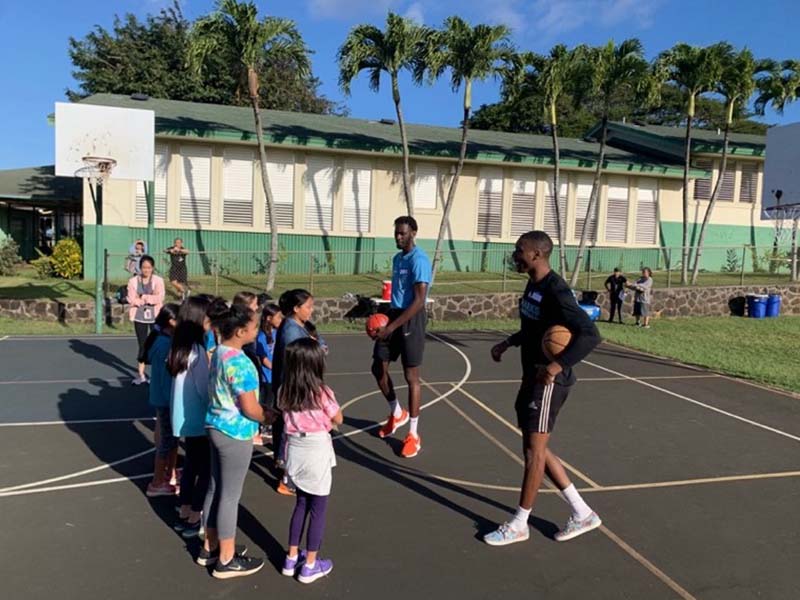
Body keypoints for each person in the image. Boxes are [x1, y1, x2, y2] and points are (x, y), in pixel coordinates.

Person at [484, 231, 602, 547]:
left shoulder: (557, 290)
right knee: (534, 447)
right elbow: (534, 328)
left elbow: (590, 335)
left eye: (519, 250)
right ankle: (582, 512)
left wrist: (557, 365)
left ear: (536, 254)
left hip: (549, 381)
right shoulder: (533, 284)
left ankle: (519, 523)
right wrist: (508, 342)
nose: (515, 254)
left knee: (533, 452)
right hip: (532, 376)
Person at [201, 304, 273, 579]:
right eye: (254, 327)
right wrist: (269, 415)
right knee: (230, 496)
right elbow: (249, 408)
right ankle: (227, 559)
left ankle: (210, 545)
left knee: (215, 488)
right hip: (235, 432)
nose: (257, 330)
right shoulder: (240, 363)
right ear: (242, 331)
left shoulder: (219, 352)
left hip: (215, 424)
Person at [279, 338, 342, 584]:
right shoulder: (321, 392)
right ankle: (311, 565)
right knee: (318, 509)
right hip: (316, 449)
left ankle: (292, 557)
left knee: (301, 503)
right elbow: (338, 417)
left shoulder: (285, 390)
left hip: (294, 448)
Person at [372, 216, 431, 458]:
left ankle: (414, 435)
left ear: (413, 233)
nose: (398, 237)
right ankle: (397, 412)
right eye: (396, 233)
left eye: (403, 233)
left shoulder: (420, 260)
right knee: (378, 367)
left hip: (412, 319)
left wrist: (392, 326)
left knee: (411, 376)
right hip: (394, 315)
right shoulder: (398, 259)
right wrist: (384, 319)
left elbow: (419, 301)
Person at [272, 289, 327, 495]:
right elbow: (298, 361)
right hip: (294, 388)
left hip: (295, 386)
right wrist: (316, 350)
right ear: (296, 308)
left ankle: (285, 468)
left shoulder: (298, 327)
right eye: (308, 307)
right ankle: (286, 477)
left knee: (289, 430)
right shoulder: (291, 332)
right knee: (291, 431)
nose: (311, 311)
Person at [168, 296, 212, 539]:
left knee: (192, 465)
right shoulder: (197, 351)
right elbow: (204, 389)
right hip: (199, 418)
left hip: (185, 418)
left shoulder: (179, 349)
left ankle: (185, 511)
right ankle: (196, 515)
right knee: (204, 470)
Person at [144, 303, 180, 498]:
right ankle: (157, 482)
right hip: (166, 400)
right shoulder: (164, 345)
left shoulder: (161, 341)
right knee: (166, 443)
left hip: (164, 398)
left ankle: (169, 473)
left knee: (172, 440)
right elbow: (167, 376)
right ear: (172, 322)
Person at [127, 256, 165, 385]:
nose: (146, 270)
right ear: (140, 268)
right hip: (139, 317)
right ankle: (141, 375)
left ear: (152, 268)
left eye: (149, 267)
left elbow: (159, 297)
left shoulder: (158, 280)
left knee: (157, 344)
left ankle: (157, 375)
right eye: (144, 267)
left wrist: (144, 297)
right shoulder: (133, 281)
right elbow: (131, 299)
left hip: (155, 317)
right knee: (142, 345)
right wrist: (140, 300)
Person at [255, 303, 283, 445]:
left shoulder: (278, 333)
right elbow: (264, 358)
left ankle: (269, 425)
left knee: (275, 402)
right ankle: (263, 426)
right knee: (267, 402)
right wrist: (275, 368)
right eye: (277, 317)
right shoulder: (261, 336)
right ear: (268, 318)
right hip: (268, 376)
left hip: (277, 375)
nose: (280, 319)